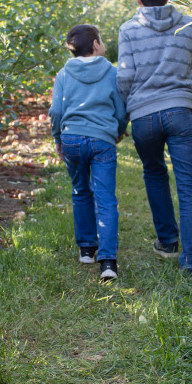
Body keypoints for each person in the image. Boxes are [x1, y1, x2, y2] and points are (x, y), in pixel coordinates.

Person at [117, 0, 192, 273]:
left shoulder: (128, 29)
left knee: (154, 173)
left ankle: (168, 242)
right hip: (181, 112)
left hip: (144, 116)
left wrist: (125, 115)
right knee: (189, 184)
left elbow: (124, 77)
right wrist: (191, 103)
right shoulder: (188, 26)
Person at [49, 24, 128, 281]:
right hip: (101, 141)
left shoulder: (63, 74)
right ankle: (108, 262)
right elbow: (120, 108)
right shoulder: (112, 73)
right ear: (95, 44)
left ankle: (86, 249)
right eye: (101, 39)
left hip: (71, 138)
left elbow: (57, 112)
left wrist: (59, 138)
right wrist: (117, 131)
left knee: (81, 191)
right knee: (105, 199)